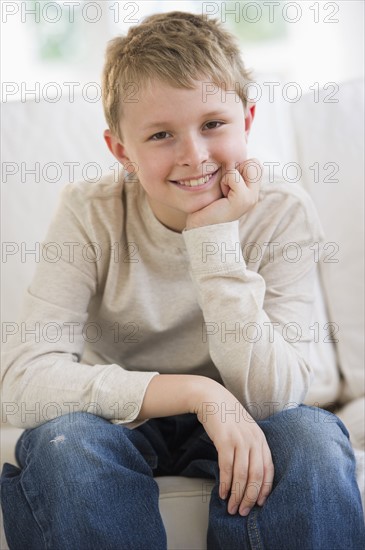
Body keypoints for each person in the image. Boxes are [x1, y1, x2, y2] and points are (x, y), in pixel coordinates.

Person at [1, 10, 364, 550]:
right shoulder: (88, 212)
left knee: (309, 437)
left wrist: (214, 240)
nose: (194, 156)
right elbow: (23, 384)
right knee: (63, 443)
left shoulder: (282, 212)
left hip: (251, 415)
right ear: (121, 150)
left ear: (248, 119)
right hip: (124, 416)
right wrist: (198, 394)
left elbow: (277, 396)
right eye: (161, 134)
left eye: (213, 124)